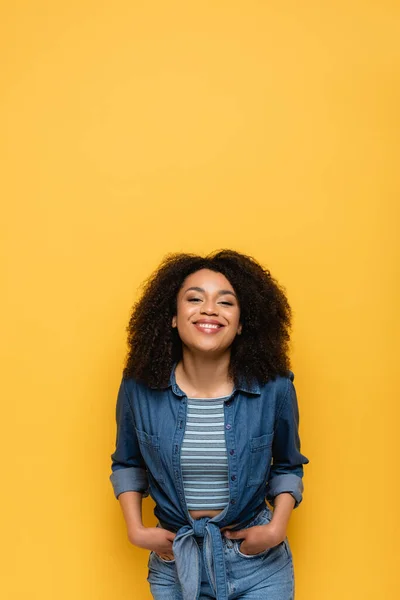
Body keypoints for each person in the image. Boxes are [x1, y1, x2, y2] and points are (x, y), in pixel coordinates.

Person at [109, 249, 309, 600]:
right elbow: (127, 462)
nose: (209, 309)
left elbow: (288, 464)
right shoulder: (138, 388)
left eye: (226, 302)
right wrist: (136, 530)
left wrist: (276, 528)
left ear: (243, 321)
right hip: (177, 561)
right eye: (194, 298)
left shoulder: (275, 388)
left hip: (257, 563)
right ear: (172, 316)